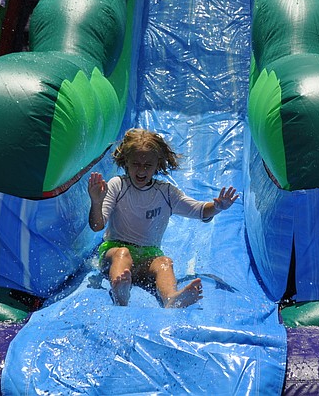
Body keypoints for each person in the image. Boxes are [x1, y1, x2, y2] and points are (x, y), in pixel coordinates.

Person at [88, 128, 239, 308]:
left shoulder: (166, 193)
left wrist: (217, 207)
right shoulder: (118, 185)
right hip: (114, 251)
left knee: (164, 262)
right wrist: (96, 202)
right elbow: (97, 225)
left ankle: (171, 298)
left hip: (148, 255)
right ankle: (120, 292)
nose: (141, 170)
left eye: (147, 165)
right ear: (126, 162)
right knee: (123, 254)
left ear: (157, 165)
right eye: (136, 163)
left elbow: (199, 210)